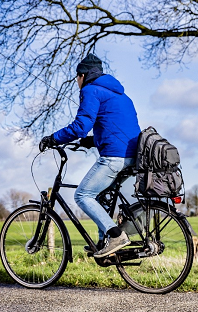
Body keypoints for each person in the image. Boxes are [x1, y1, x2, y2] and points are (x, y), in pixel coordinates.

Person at [39, 54, 141, 258]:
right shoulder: (121, 95)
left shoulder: (90, 90)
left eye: (77, 77)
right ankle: (105, 244)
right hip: (133, 155)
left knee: (83, 195)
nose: (77, 82)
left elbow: (80, 126)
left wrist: (53, 138)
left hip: (114, 157)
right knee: (102, 195)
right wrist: (91, 140)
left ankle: (115, 235)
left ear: (83, 75)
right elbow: (116, 129)